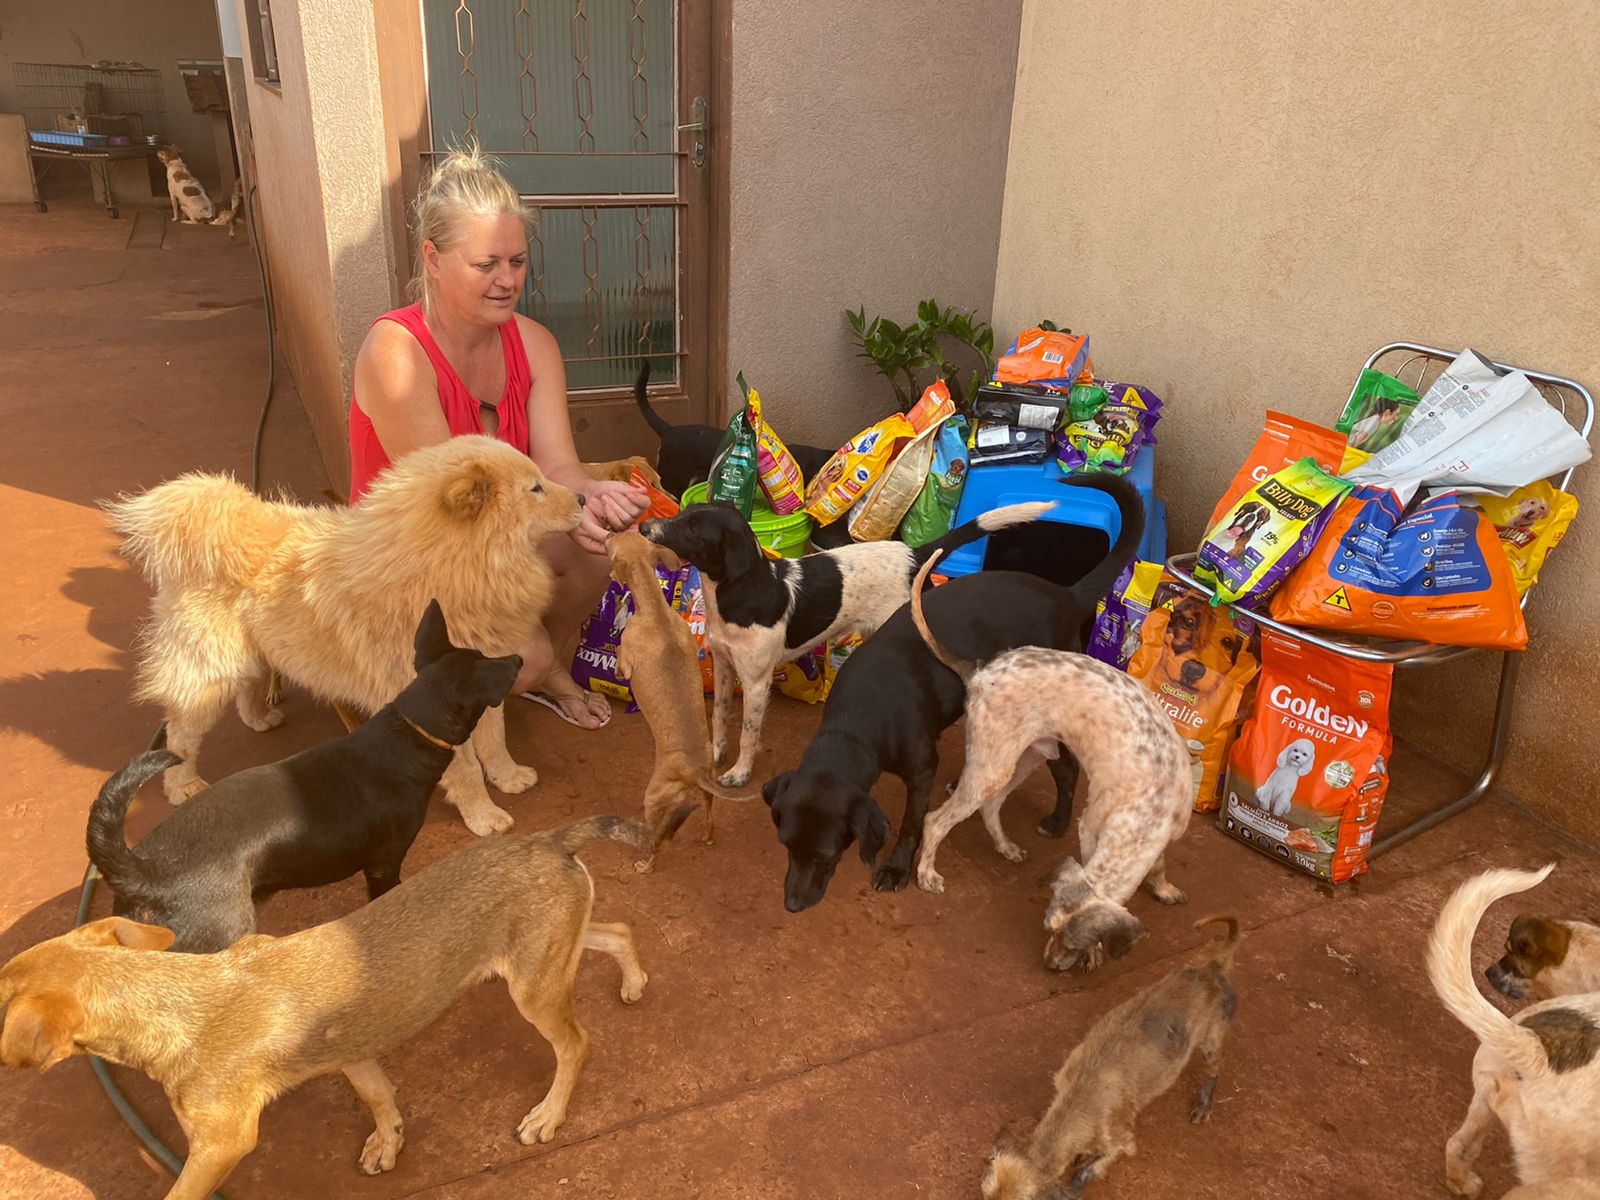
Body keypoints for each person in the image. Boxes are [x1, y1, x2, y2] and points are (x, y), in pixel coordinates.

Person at [348, 146, 647, 729]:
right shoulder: (397, 352)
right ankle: (462, 690)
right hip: (413, 557)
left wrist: (594, 496)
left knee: (592, 550)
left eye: (517, 261)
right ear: (434, 259)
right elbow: (453, 519)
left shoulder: (533, 343)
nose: (507, 280)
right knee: (521, 655)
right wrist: (567, 513)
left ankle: (534, 672)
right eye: (486, 264)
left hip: (489, 542)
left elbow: (558, 467)